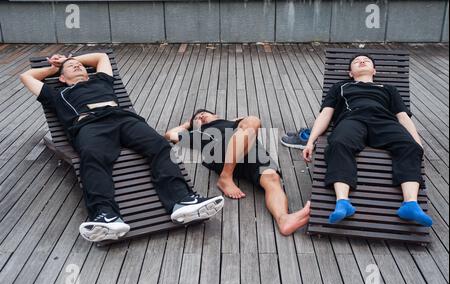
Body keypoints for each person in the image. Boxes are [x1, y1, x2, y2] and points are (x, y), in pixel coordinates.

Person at [20, 53, 224, 242]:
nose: (77, 66)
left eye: (80, 65)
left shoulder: (101, 80)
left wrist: (69, 59)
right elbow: (26, 76)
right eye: (71, 67)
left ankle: (182, 201)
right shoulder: (56, 94)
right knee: (93, 157)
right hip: (90, 125)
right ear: (62, 78)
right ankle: (105, 215)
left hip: (124, 120)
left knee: (160, 145)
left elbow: (100, 57)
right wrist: (55, 67)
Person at [302, 54, 432, 226]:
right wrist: (310, 141)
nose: (361, 61)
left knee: (409, 146)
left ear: (374, 70)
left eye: (366, 60)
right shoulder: (340, 86)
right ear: (350, 73)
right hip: (352, 120)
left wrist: (417, 143)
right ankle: (342, 202)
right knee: (339, 143)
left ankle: (410, 204)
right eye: (356, 61)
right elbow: (326, 113)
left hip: (384, 122)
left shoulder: (388, 88)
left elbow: (403, 117)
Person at [165, 110, 311, 236]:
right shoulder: (199, 134)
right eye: (197, 118)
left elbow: (243, 120)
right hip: (221, 152)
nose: (201, 116)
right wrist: (188, 124)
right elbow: (170, 135)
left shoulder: (234, 123)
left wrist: (225, 120)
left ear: (216, 115)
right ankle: (226, 177)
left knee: (272, 177)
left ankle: (283, 219)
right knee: (253, 120)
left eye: (204, 113)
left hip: (251, 151)